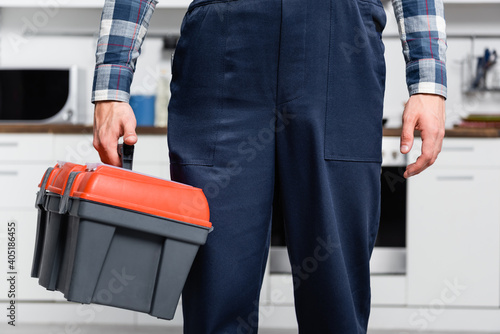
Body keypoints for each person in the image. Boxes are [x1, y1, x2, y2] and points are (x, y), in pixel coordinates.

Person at [92, 0, 446, 332]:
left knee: (336, 294)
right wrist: (111, 87)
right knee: (215, 287)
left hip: (339, 51)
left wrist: (428, 83)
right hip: (222, 52)